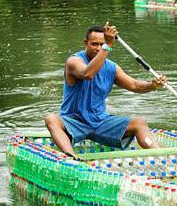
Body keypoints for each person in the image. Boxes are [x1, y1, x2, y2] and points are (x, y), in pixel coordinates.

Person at [45, 23, 168, 158]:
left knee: (139, 123)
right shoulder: (73, 61)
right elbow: (88, 74)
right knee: (51, 119)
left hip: (100, 122)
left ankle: (160, 156)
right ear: (85, 43)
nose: (98, 48)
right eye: (94, 44)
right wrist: (107, 46)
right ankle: (71, 158)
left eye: (101, 44)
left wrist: (153, 85)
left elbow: (134, 85)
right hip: (73, 121)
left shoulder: (111, 68)